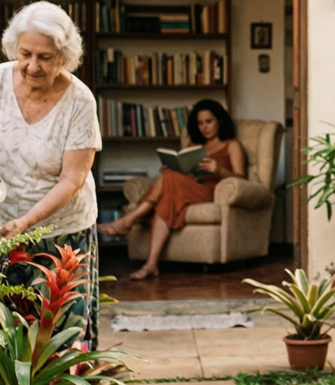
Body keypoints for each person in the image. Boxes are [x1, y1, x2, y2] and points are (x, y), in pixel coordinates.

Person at [0, 0, 103, 348]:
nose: (32, 66)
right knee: (1, 332)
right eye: (25, 54)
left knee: (61, 338)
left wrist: (27, 222)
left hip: (63, 233)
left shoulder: (80, 101)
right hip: (1, 230)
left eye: (45, 57)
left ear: (65, 55)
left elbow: (72, 180)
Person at [97, 98, 245, 280]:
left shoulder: (232, 145)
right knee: (168, 189)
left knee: (169, 181)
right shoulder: (194, 145)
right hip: (188, 188)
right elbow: (185, 172)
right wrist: (173, 167)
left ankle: (127, 221)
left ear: (219, 121)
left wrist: (219, 169)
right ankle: (151, 264)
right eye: (199, 123)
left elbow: (241, 179)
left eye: (209, 121)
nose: (204, 127)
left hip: (211, 192)